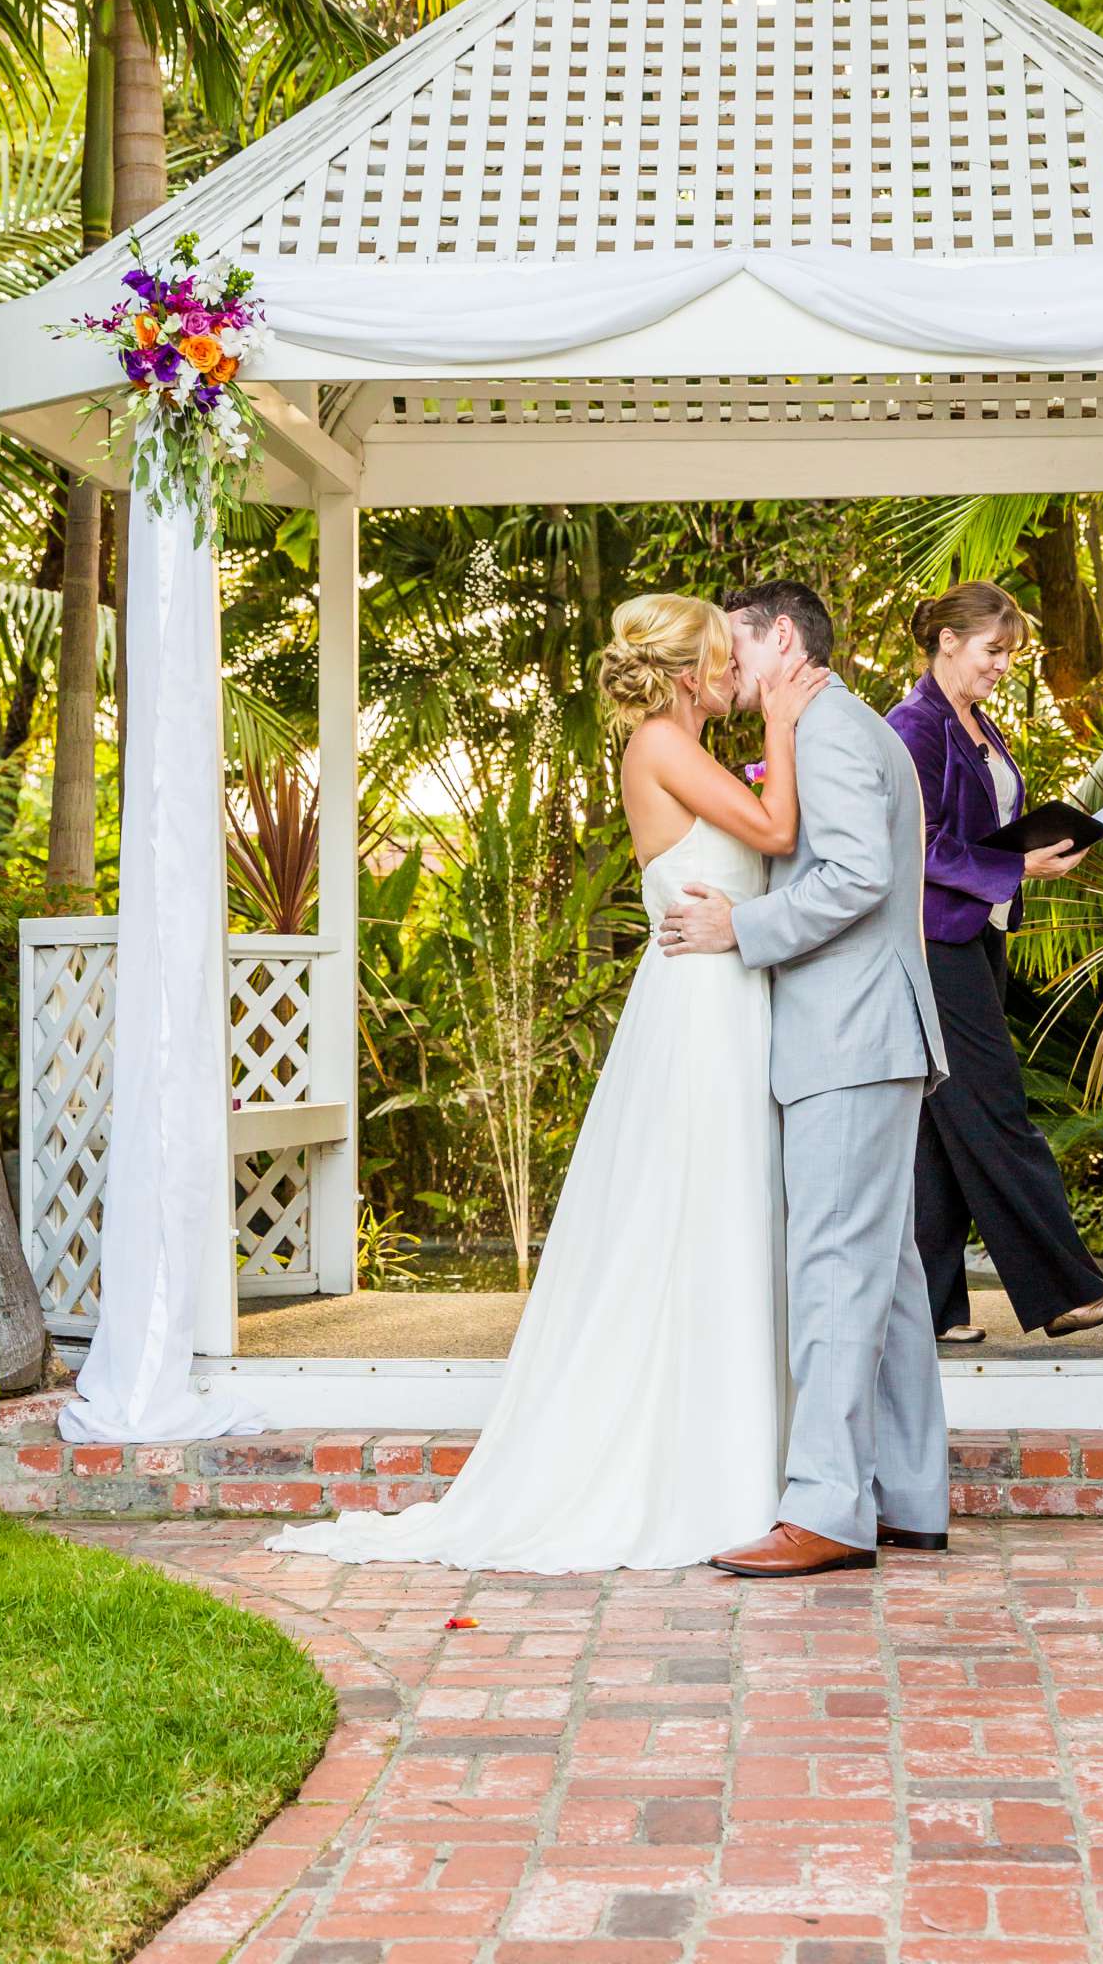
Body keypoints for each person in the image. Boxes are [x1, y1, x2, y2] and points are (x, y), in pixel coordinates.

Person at [267, 592, 827, 1573]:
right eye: (725, 660)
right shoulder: (661, 744)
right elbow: (776, 831)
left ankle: (742, 1456)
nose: (741, 674)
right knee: (701, 1213)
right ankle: (703, 1474)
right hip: (700, 1012)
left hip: (727, 1000)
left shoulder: (677, 744)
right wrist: (784, 724)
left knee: (724, 1218)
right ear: (692, 670)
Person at [661, 580, 952, 1577]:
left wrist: (736, 927)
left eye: (736, 651)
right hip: (872, 1036)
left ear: (782, 638)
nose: (728, 673)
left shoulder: (825, 727)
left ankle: (829, 1508)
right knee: (890, 1279)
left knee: (832, 1271)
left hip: (847, 1038)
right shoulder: (841, 722)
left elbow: (855, 876)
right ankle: (909, 1493)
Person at [887, 583, 1103, 1346]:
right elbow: (918, 845)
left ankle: (933, 1310)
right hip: (937, 944)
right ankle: (1067, 1291)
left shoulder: (975, 720)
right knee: (996, 1108)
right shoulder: (914, 726)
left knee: (944, 1127)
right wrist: (1019, 870)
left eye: (1009, 654)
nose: (1004, 666)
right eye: (993, 651)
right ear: (946, 642)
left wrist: (1033, 856)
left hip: (979, 935)